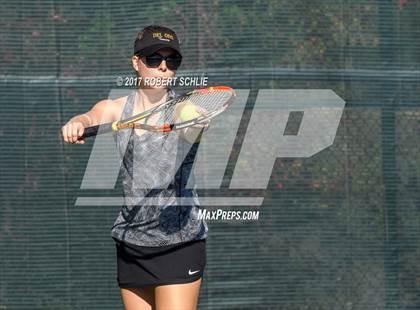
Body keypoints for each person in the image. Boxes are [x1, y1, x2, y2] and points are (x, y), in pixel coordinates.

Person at [61, 25, 209, 310]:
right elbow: (91, 116)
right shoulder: (117, 108)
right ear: (136, 63)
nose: (163, 68)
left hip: (180, 242)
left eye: (171, 61)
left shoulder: (183, 109)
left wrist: (196, 121)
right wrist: (78, 122)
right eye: (154, 59)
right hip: (132, 240)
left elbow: (195, 119)